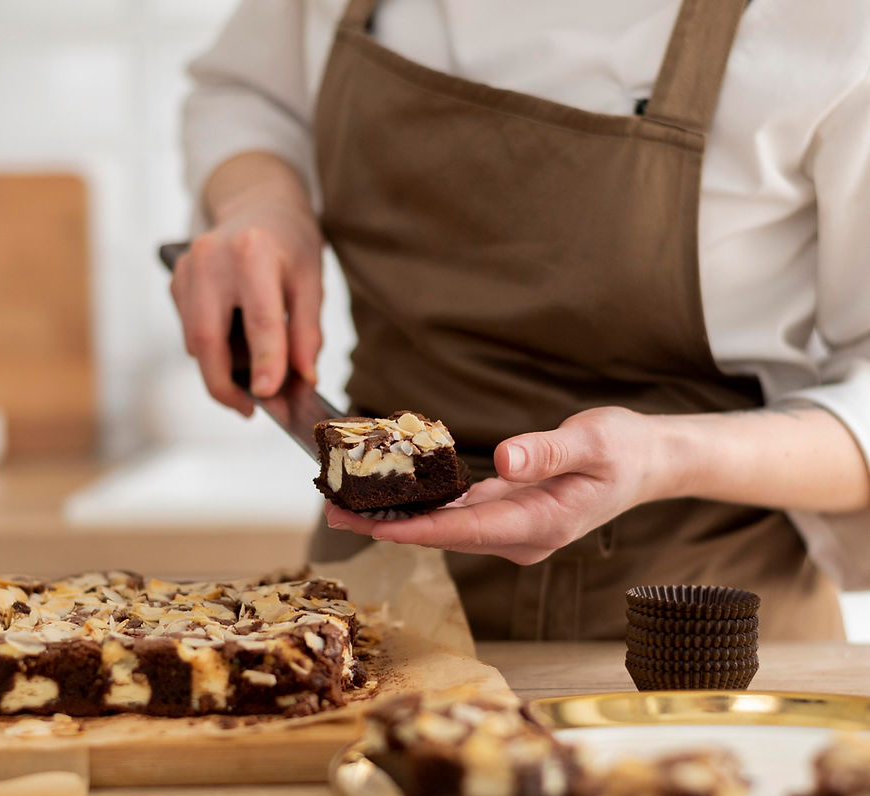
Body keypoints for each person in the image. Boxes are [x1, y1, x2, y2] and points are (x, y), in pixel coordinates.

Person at [170, 0, 870, 641]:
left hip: (692, 632)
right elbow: (246, 93)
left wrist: (664, 455)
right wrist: (262, 199)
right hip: (371, 603)